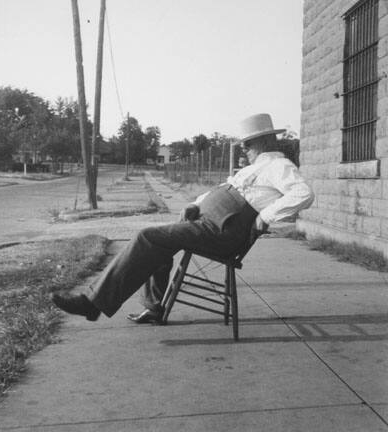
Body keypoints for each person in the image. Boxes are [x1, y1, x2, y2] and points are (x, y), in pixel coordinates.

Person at [52, 113, 314, 323]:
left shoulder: (279, 165)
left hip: (223, 232)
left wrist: (265, 217)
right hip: (208, 222)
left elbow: (303, 193)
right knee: (159, 240)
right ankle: (152, 307)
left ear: (265, 142)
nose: (244, 149)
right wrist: (194, 204)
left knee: (148, 237)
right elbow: (220, 191)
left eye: (247, 144)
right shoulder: (256, 167)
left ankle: (92, 304)